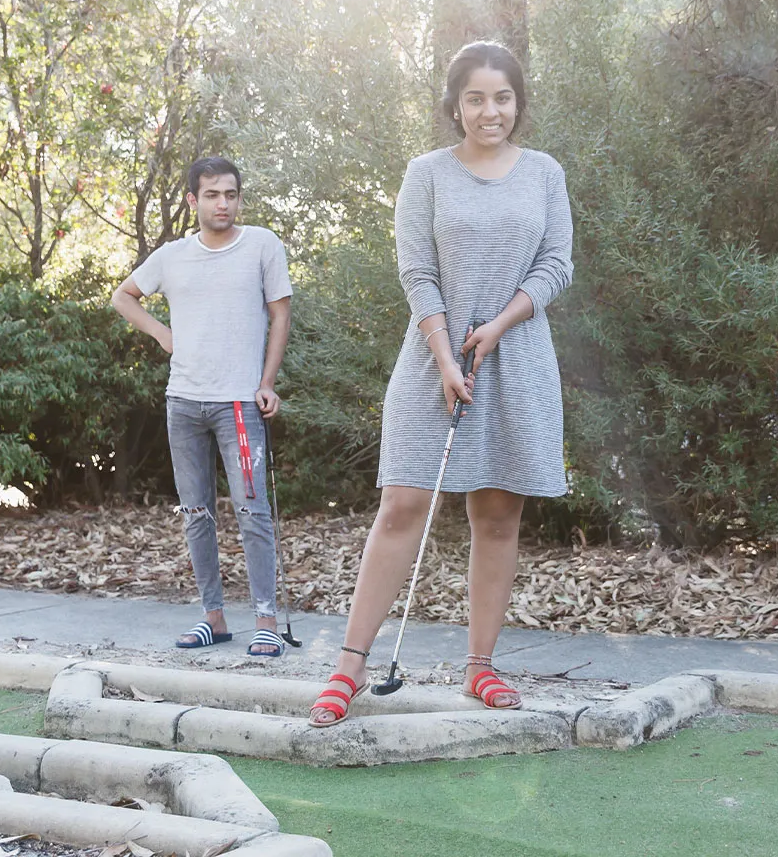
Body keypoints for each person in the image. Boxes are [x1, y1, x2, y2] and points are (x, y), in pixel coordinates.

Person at [310, 41, 573, 727]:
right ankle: (349, 667)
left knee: (499, 514)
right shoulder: (426, 172)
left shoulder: (544, 173)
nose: (491, 111)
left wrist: (500, 325)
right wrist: (446, 352)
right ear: (455, 105)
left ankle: (480, 667)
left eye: (503, 97)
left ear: (518, 102)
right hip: (435, 358)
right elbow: (416, 271)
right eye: (476, 98)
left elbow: (556, 264)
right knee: (402, 503)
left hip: (516, 358)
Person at [112, 157, 294, 657]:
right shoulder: (173, 256)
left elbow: (280, 317)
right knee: (196, 514)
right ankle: (213, 618)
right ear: (193, 200)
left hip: (239, 404)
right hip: (184, 403)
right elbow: (123, 296)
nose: (223, 204)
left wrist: (267, 382)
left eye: (230, 194)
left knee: (252, 511)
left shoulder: (262, 245)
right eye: (212, 195)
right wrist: (162, 334)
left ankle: (266, 621)